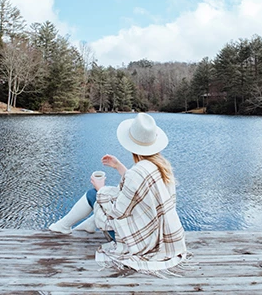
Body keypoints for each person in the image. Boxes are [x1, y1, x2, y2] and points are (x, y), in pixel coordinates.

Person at [49, 113, 189, 277]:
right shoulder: (162, 166)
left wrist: (100, 189)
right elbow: (138, 189)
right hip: (160, 237)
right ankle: (88, 224)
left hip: (142, 242)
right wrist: (118, 166)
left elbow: (117, 212)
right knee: (112, 195)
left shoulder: (138, 172)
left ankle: (63, 226)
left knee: (95, 194)